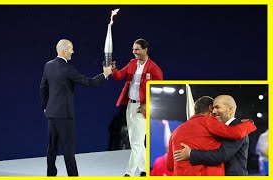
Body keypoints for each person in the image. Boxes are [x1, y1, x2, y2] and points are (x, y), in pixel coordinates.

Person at [40, 39, 112, 176]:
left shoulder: (48, 65)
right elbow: (89, 82)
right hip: (65, 115)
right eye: (71, 49)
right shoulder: (67, 69)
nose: (73, 51)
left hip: (51, 113)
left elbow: (43, 87)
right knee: (68, 149)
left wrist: (45, 107)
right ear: (64, 50)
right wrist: (105, 74)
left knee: (52, 147)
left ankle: (50, 175)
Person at [111, 38, 163, 176]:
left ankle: (129, 173)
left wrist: (147, 105)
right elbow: (120, 75)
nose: (134, 52)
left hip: (142, 108)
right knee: (135, 141)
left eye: (137, 49)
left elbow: (157, 91)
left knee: (136, 142)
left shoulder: (154, 69)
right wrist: (113, 69)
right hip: (130, 106)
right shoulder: (132, 63)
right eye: (133, 49)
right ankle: (145, 170)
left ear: (145, 50)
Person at [166, 96, 257, 176]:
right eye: (213, 108)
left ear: (230, 109)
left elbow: (170, 166)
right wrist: (249, 123)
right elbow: (235, 133)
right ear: (209, 108)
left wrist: (190, 154)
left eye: (217, 107)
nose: (214, 111)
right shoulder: (209, 122)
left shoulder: (175, 132)